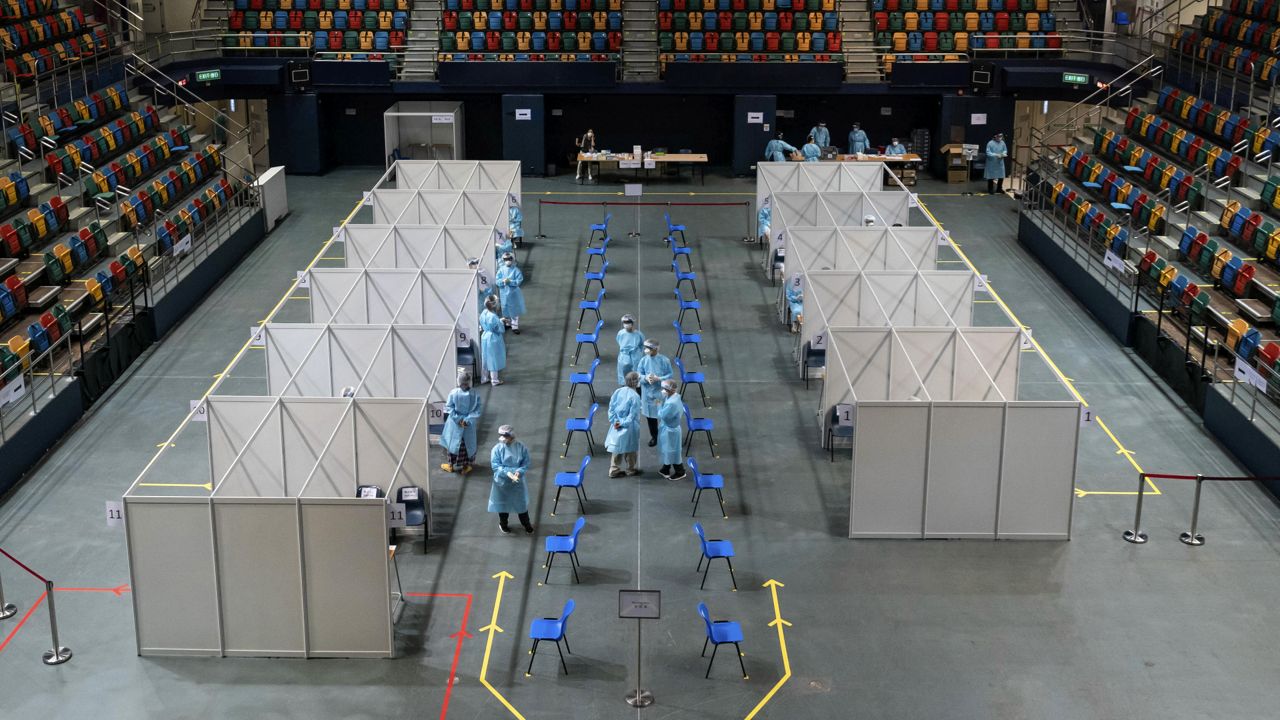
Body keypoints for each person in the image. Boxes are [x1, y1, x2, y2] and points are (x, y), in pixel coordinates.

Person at [489, 425, 534, 534]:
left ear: (511, 435)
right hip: (502, 482)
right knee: (502, 505)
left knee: (521, 504)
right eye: (501, 436)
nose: (503, 438)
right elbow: (495, 465)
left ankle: (526, 524)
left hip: (517, 482)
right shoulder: (497, 449)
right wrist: (507, 473)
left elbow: (525, 462)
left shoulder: (521, 447)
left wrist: (519, 472)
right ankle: (503, 524)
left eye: (505, 436)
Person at [440, 369, 482, 474]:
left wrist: (458, 419)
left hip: (454, 424)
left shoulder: (453, 393)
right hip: (468, 425)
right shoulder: (475, 394)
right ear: (469, 381)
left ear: (458, 381)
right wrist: (467, 420)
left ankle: (450, 466)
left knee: (453, 444)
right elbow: (477, 410)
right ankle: (466, 466)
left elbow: (449, 407)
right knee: (467, 446)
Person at [635, 339, 673, 447]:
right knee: (650, 419)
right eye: (645, 348)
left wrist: (659, 378)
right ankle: (654, 436)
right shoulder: (643, 361)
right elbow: (639, 375)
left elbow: (669, 375)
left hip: (659, 395)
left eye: (649, 348)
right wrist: (645, 378)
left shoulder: (664, 361)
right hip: (647, 394)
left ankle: (666, 435)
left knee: (664, 415)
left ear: (655, 349)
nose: (646, 350)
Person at [605, 372, 643, 477]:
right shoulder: (635, 396)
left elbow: (611, 408)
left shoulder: (618, 391)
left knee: (617, 447)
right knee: (631, 448)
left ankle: (613, 470)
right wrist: (623, 423)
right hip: (629, 427)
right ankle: (630, 469)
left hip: (617, 425)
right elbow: (632, 415)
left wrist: (615, 421)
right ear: (635, 382)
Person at [656, 379, 686, 480]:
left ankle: (680, 471)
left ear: (670, 390)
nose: (663, 390)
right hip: (670, 428)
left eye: (664, 389)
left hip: (671, 430)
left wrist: (658, 404)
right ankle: (666, 468)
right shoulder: (675, 396)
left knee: (673, 451)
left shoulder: (671, 403)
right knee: (667, 450)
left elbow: (663, 415)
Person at [479, 294, 508, 385]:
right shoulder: (493, 316)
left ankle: (484, 378)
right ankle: (494, 380)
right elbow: (499, 329)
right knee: (493, 358)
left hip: (484, 336)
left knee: (485, 358)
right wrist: (501, 321)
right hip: (493, 338)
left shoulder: (483, 312)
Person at [496, 252, 525, 334]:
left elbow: (519, 280)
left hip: (513, 293)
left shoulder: (516, 270)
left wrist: (510, 282)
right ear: (503, 260)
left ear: (512, 259)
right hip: (504, 293)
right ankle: (508, 323)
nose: (507, 261)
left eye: (509, 259)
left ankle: (515, 326)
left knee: (514, 309)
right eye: (506, 259)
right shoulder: (501, 270)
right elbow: (497, 281)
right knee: (505, 308)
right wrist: (503, 281)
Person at [615, 314, 646, 386]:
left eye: (628, 323)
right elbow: (619, 341)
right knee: (623, 371)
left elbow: (642, 344)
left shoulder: (638, 334)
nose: (626, 324)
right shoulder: (621, 333)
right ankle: (624, 384)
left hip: (635, 356)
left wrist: (639, 353)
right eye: (625, 323)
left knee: (636, 370)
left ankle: (636, 384)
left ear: (632, 323)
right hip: (624, 355)